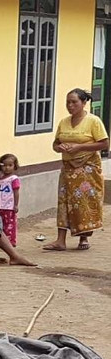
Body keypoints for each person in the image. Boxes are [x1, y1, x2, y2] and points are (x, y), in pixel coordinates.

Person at [43, 88, 108, 252]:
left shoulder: (93, 121)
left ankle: (83, 237)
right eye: (68, 102)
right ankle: (60, 240)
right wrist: (60, 147)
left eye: (74, 102)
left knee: (83, 202)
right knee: (64, 201)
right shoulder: (64, 122)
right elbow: (55, 143)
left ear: (84, 103)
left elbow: (104, 144)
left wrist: (79, 147)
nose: (70, 105)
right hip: (67, 167)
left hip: (87, 167)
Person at [0, 154, 22, 246]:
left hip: (9, 206)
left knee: (10, 224)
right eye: (4, 165)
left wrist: (16, 205)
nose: (7, 168)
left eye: (10, 165)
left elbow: (16, 192)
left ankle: (11, 241)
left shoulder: (14, 179)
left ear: (14, 166)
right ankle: (1, 240)